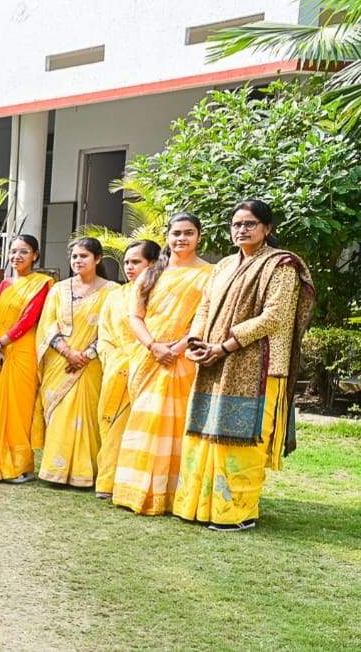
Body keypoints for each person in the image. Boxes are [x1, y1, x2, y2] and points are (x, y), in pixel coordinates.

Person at [176, 200, 314, 531]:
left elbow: (274, 316)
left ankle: (236, 512)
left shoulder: (282, 265)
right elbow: (205, 307)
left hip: (261, 367)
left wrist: (224, 346)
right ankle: (198, 506)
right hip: (213, 361)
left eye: (250, 224)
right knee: (206, 432)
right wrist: (197, 343)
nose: (242, 230)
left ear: (267, 228)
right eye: (236, 224)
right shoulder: (222, 266)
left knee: (240, 440)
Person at [112, 213, 213, 516]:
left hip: (183, 358)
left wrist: (178, 347)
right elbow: (135, 316)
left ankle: (171, 495)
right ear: (167, 237)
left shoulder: (210, 273)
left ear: (199, 237)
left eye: (189, 233)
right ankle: (136, 491)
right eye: (176, 233)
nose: (181, 239)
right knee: (144, 422)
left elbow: (204, 318)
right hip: (150, 356)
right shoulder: (151, 273)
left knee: (175, 425)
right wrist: (154, 346)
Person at [35, 238, 115, 488]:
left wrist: (87, 354)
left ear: (98, 259)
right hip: (60, 361)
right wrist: (68, 351)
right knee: (59, 414)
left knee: (88, 415)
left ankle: (84, 473)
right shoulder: (59, 289)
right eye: (74, 257)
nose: (77, 261)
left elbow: (111, 328)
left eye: (84, 256)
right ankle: (55, 471)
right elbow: (47, 325)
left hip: (92, 363)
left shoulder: (112, 291)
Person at [0, 235, 55, 483]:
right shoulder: (4, 285)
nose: (17, 257)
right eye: (13, 252)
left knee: (18, 409)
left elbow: (29, 318)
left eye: (24, 252)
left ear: (35, 255)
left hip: (22, 351)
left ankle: (18, 466)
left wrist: (1, 342)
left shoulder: (43, 283)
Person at [93, 240, 160, 499]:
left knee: (141, 430)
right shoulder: (117, 295)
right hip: (117, 369)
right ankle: (108, 482)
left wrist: (141, 358)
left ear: (152, 264)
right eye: (127, 262)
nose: (129, 267)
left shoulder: (159, 293)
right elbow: (105, 334)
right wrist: (115, 361)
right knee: (111, 426)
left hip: (149, 368)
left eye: (136, 262)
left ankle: (136, 486)